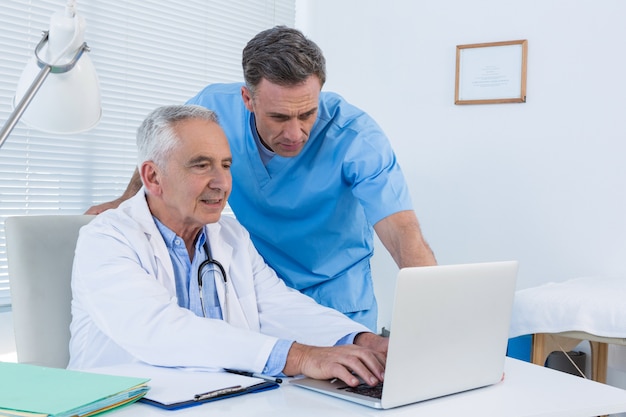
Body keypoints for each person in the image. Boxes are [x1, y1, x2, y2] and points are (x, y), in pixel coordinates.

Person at [86, 26, 436, 331]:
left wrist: (440, 324)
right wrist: (127, 199)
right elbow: (164, 148)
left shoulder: (356, 137)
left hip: (338, 294)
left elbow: (404, 233)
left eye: (308, 113)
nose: (296, 132)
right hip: (259, 291)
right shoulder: (214, 109)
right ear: (247, 99)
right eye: (279, 117)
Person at [69, 105, 387, 388]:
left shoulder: (229, 235)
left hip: (216, 400)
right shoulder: (106, 239)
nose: (222, 182)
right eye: (201, 165)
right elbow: (158, 330)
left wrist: (362, 341)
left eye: (225, 164)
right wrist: (301, 357)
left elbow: (275, 304)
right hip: (120, 404)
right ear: (153, 177)